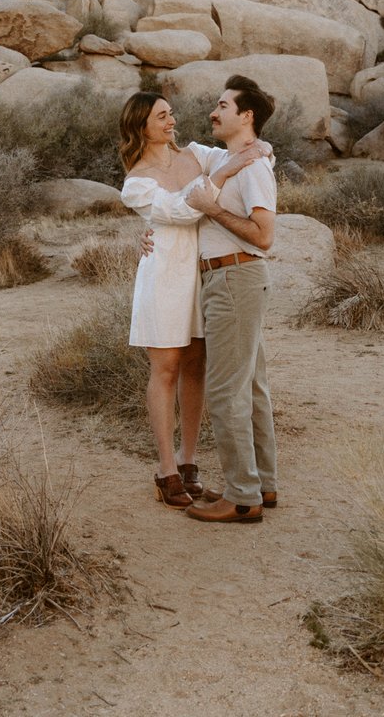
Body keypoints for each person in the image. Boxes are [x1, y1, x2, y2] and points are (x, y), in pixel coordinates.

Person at [118, 91, 265, 510]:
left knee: (197, 367)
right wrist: (220, 178)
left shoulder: (196, 154)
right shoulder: (136, 181)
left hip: (203, 275)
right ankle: (165, 470)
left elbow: (244, 154)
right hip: (164, 276)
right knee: (166, 369)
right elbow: (182, 210)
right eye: (161, 117)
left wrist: (257, 147)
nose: (171, 122)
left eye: (171, 114)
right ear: (141, 126)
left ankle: (188, 461)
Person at [181, 76, 279, 524]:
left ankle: (242, 497)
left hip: (235, 278)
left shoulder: (255, 169)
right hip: (232, 280)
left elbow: (264, 236)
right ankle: (263, 485)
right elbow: (176, 170)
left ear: (246, 116)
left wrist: (214, 209)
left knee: (225, 392)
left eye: (222, 105)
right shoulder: (225, 157)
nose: (212, 112)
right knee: (251, 388)